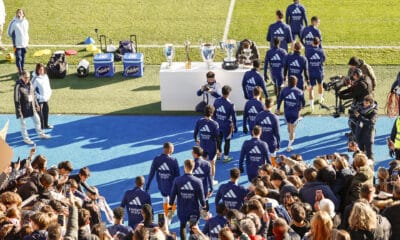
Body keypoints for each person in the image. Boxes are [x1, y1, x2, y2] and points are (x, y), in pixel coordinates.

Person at [169, 159, 206, 240]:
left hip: (182, 210)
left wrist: (170, 208)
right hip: (193, 210)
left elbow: (172, 196)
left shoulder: (177, 180)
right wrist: (204, 207)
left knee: (182, 226)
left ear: (185, 167)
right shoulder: (198, 181)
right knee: (193, 228)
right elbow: (202, 198)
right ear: (193, 167)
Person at [14, 71, 51, 145]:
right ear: (21, 77)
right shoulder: (18, 86)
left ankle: (40, 134)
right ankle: (26, 139)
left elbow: (33, 95)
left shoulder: (30, 84)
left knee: (37, 120)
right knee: (23, 125)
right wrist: (19, 112)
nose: (27, 79)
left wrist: (37, 105)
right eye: (25, 77)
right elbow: (16, 100)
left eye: (28, 77)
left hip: (31, 107)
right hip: (23, 109)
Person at [145, 142, 180, 219]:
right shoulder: (173, 160)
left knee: (165, 199)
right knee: (172, 203)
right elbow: (178, 176)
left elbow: (151, 173)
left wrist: (147, 186)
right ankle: (168, 219)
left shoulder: (156, 159)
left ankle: (166, 215)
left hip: (162, 186)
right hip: (172, 187)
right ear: (170, 150)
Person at [340, 68, 373, 138]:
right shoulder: (365, 78)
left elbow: (353, 94)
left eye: (353, 75)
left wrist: (342, 96)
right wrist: (343, 92)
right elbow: (353, 89)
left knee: (352, 119)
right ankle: (356, 133)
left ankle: (355, 135)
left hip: (360, 103)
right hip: (366, 101)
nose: (352, 77)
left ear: (356, 75)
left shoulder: (361, 84)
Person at [277, 76, 305, 152]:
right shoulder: (299, 91)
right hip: (295, 114)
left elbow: (279, 100)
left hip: (287, 113)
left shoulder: (284, 90)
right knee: (292, 130)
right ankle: (289, 147)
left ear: (288, 82)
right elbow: (303, 102)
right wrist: (303, 106)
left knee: (289, 128)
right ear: (296, 82)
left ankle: (290, 140)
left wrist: (278, 108)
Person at [194, 105, 219, 184]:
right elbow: (217, 137)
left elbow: (195, 133)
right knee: (212, 163)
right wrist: (218, 149)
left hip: (202, 146)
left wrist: (196, 139)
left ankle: (202, 180)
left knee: (202, 163)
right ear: (212, 113)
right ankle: (211, 181)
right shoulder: (215, 124)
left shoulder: (199, 121)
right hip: (212, 146)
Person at [213, 85, 237, 162]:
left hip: (218, 124)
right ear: (229, 93)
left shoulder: (216, 101)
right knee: (227, 141)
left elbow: (214, 113)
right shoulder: (231, 104)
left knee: (218, 140)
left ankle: (219, 154)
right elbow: (234, 117)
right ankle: (226, 157)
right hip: (227, 126)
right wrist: (235, 127)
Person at [254, 98, 280, 163]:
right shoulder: (275, 117)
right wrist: (278, 145)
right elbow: (277, 133)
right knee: (273, 162)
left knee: (262, 163)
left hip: (261, 143)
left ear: (264, 105)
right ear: (272, 106)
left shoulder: (258, 115)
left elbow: (254, 130)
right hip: (272, 143)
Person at [353, 95, 377, 159]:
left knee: (369, 154)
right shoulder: (360, 108)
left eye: (367, 103)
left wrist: (360, 117)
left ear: (370, 103)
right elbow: (355, 119)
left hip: (368, 134)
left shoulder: (373, 111)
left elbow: (371, 122)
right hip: (359, 133)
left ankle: (370, 167)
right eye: (364, 102)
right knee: (360, 154)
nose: (364, 104)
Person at [305, 37, 325, 111]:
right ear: (319, 43)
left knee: (311, 88)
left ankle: (311, 106)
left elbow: (306, 60)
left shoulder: (308, 51)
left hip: (311, 72)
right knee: (320, 84)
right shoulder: (321, 51)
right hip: (319, 72)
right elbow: (323, 60)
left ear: (312, 43)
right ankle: (320, 98)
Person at [192, 146, 213, 215]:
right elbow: (210, 178)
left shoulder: (191, 164)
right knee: (205, 203)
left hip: (193, 189)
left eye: (192, 152)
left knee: (194, 206)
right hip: (204, 188)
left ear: (195, 154)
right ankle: (206, 217)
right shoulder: (207, 164)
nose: (192, 153)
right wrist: (211, 189)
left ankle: (193, 223)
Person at [32, 63, 53, 130]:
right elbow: (31, 90)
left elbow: (48, 86)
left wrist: (49, 94)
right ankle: (40, 127)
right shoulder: (35, 79)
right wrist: (39, 97)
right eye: (40, 70)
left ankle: (46, 124)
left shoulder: (46, 76)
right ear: (37, 70)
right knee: (39, 114)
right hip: (38, 100)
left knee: (46, 111)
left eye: (42, 69)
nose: (41, 71)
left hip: (45, 99)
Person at [7, 9, 29, 75]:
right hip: (17, 44)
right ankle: (20, 72)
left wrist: (27, 42)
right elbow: (9, 33)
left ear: (23, 14)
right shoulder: (13, 23)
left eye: (20, 12)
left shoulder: (26, 22)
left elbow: (26, 33)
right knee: (18, 58)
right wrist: (15, 39)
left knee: (23, 58)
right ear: (16, 14)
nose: (19, 14)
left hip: (24, 44)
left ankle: (22, 69)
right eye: (17, 13)